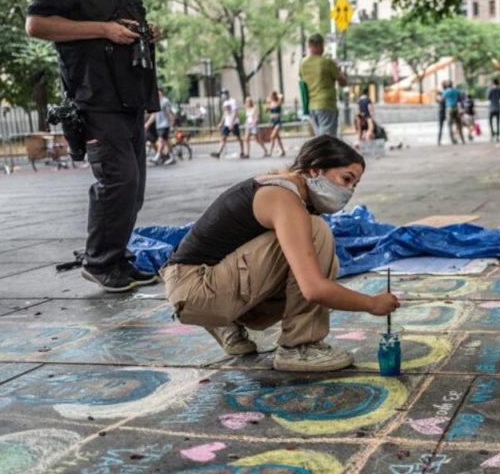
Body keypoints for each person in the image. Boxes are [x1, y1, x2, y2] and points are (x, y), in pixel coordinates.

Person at [161, 135, 400, 371]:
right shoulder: (283, 198)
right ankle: (300, 347)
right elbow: (313, 288)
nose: (348, 191)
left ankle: (227, 323)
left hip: (190, 290)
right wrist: (371, 303)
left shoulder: (282, 188)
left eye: (354, 185)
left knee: (312, 252)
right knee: (316, 233)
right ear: (315, 170)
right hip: (196, 289)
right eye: (346, 179)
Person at [26, 0, 160, 292]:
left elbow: (123, 33)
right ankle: (101, 261)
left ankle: (115, 257)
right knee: (118, 180)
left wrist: (144, 32)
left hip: (130, 98)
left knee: (133, 188)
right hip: (94, 97)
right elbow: (36, 24)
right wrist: (103, 29)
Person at [300, 34, 346, 137]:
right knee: (327, 140)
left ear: (309, 46)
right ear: (319, 45)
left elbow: (302, 80)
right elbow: (343, 82)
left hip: (311, 106)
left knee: (320, 139)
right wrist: (338, 68)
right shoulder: (327, 63)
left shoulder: (302, 64)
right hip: (326, 105)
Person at [144, 88, 175, 164]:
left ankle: (157, 156)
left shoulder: (165, 101)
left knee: (161, 140)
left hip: (165, 124)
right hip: (159, 125)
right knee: (167, 141)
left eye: (159, 92)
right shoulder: (156, 102)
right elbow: (153, 115)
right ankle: (171, 157)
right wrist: (147, 124)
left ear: (161, 93)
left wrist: (171, 125)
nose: (158, 94)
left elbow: (169, 113)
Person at [212, 89, 244, 159]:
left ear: (227, 94)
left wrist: (232, 123)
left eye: (223, 94)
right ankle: (218, 153)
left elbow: (235, 112)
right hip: (227, 123)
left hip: (234, 123)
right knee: (223, 137)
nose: (222, 96)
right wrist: (221, 122)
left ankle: (242, 151)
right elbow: (225, 113)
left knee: (238, 138)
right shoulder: (225, 102)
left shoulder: (233, 101)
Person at [443, 80, 464, 145]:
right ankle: (462, 139)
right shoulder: (457, 91)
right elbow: (460, 99)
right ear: (452, 85)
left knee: (450, 125)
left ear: (447, 85)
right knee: (459, 124)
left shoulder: (446, 91)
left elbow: (442, 99)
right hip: (456, 108)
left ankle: (453, 140)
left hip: (449, 108)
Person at [266, 91, 287, 157]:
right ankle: (283, 151)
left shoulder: (278, 102)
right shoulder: (270, 103)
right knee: (278, 137)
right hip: (272, 121)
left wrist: (278, 95)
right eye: (271, 96)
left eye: (272, 96)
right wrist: (268, 104)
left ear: (275, 96)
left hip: (278, 121)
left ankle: (270, 152)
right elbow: (266, 110)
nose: (271, 97)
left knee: (272, 136)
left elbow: (281, 96)